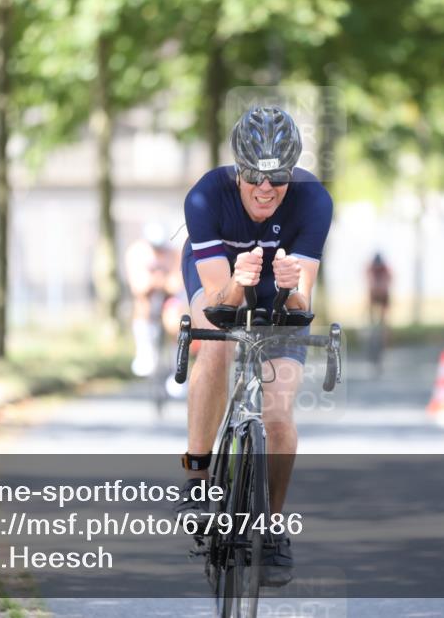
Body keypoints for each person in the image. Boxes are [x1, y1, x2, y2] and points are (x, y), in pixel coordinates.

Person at [175, 106, 333, 587]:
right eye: (254, 178)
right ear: (238, 169)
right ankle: (199, 479)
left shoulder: (313, 202)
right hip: (222, 279)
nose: (266, 189)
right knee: (218, 343)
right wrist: (240, 283)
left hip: (279, 293)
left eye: (278, 179)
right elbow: (220, 303)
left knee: (279, 412)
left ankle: (272, 528)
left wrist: (292, 287)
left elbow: (302, 305)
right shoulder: (206, 197)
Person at [125, 223, 179, 377]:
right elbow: (138, 287)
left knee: (175, 318)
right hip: (147, 296)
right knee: (142, 305)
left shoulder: (174, 254)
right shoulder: (136, 252)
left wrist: (159, 281)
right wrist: (157, 281)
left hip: (170, 298)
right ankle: (144, 350)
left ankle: (177, 368)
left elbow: (176, 284)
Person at [366, 252, 392, 328]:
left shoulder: (385, 269)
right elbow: (369, 279)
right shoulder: (371, 268)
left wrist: (382, 287)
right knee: (370, 308)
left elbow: (388, 279)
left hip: (383, 293)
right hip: (374, 292)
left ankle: (382, 321)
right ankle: (372, 322)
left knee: (384, 314)